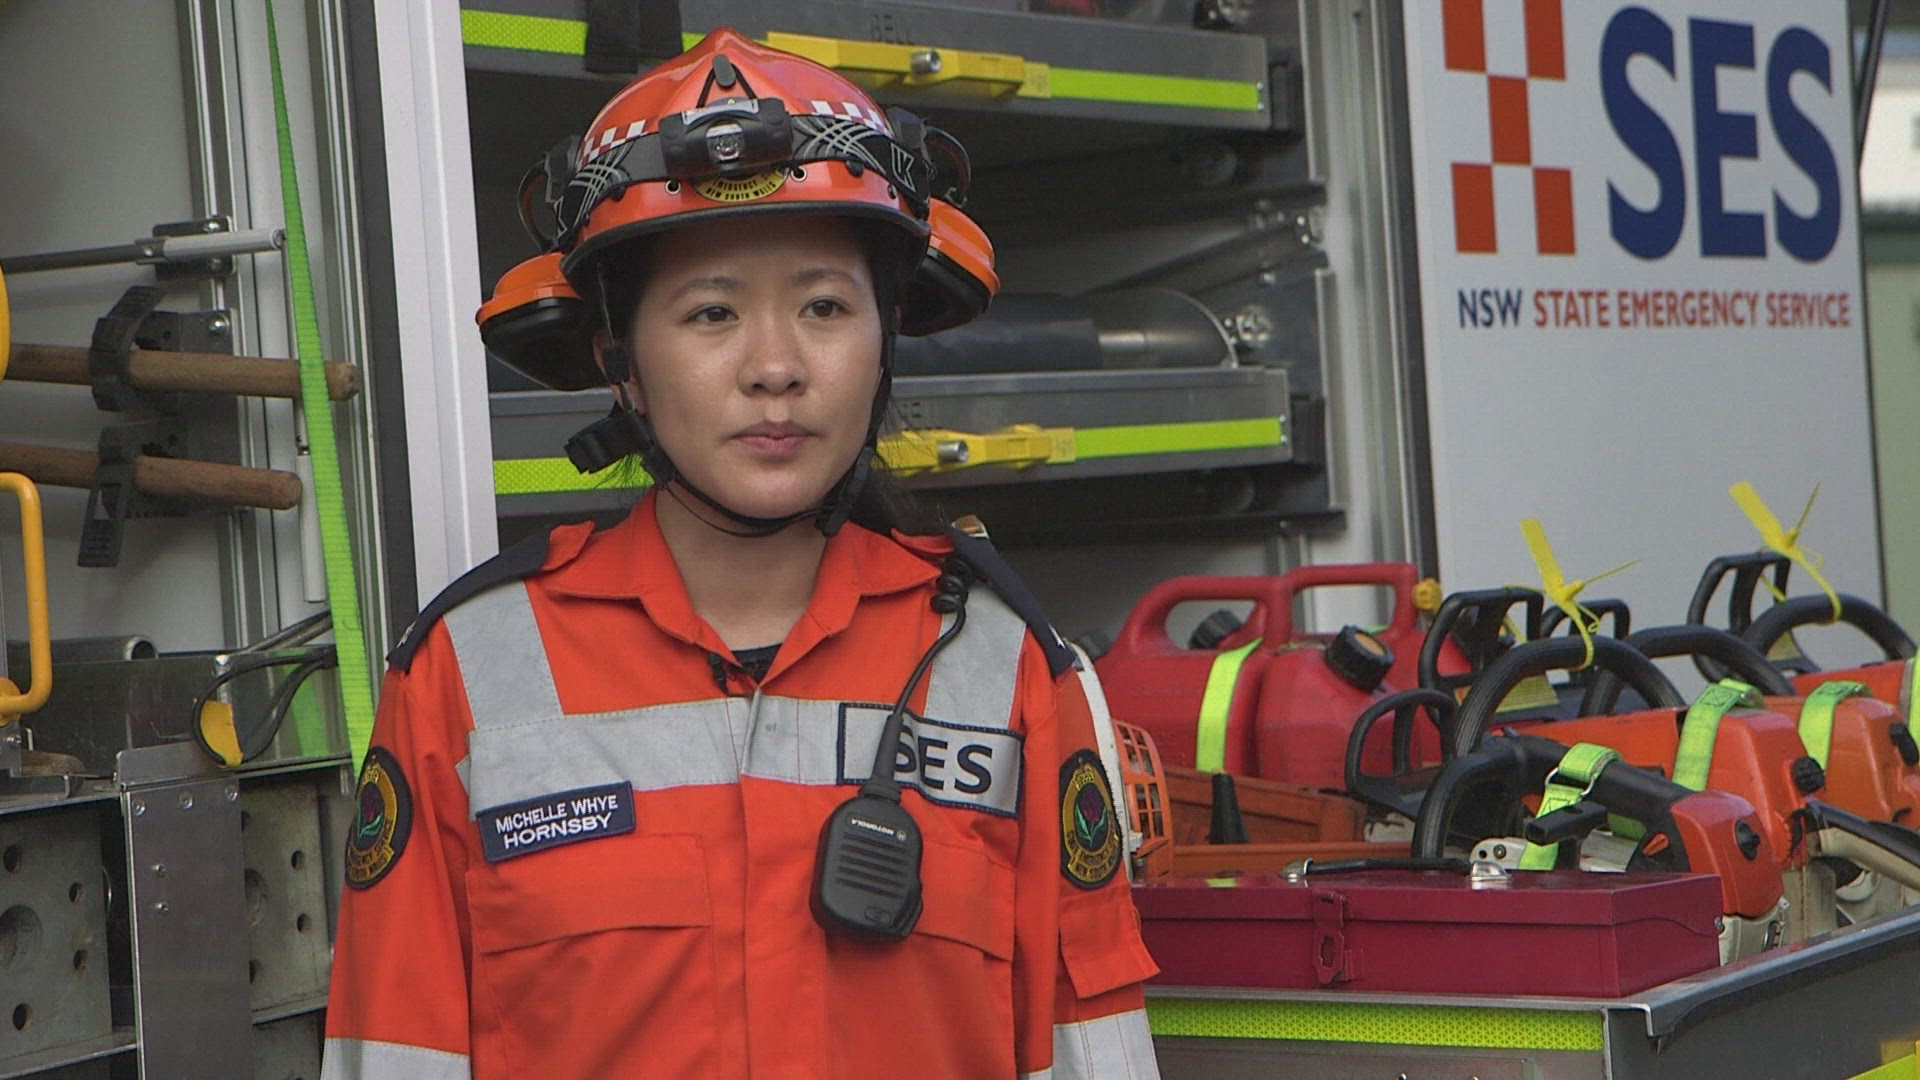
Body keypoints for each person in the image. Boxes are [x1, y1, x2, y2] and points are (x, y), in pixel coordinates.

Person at [321, 28, 1161, 1080]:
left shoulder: (1010, 669)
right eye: (712, 312)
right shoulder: (465, 674)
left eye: (824, 307)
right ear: (621, 362)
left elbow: (1091, 1056)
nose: (776, 367)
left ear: (886, 339)